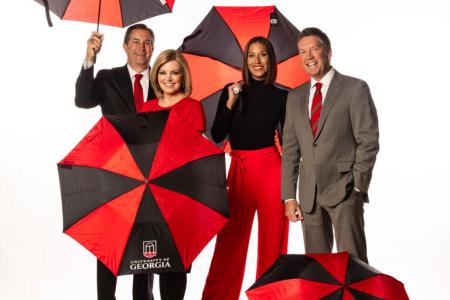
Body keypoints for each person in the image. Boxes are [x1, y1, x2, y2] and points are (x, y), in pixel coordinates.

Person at [282, 27, 379, 263]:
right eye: (302, 52)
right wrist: (288, 196)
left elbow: (368, 140)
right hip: (309, 195)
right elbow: (291, 150)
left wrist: (357, 185)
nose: (308, 57)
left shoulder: (355, 88)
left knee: (353, 266)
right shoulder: (295, 97)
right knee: (317, 270)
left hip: (344, 190)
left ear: (328, 52)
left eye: (314, 49)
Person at [202, 36, 289, 300]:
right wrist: (229, 102)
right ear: (245, 60)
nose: (257, 61)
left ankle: (270, 296)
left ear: (270, 60)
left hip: (271, 169)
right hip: (239, 171)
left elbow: (288, 141)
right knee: (229, 243)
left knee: (273, 243)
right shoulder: (231, 90)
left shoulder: (282, 96)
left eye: (263, 55)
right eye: (251, 55)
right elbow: (217, 135)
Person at [74, 23, 156, 300]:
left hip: (152, 174)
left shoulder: (162, 79)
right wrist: (90, 58)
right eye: (135, 42)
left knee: (147, 245)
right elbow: (83, 100)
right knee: (110, 242)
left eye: (146, 42)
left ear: (153, 47)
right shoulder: (108, 78)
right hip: (115, 172)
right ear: (124, 46)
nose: (141, 48)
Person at [141, 49, 206, 300]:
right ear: (156, 76)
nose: (168, 78)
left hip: (180, 193)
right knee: (153, 259)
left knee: (175, 262)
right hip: (150, 192)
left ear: (183, 76)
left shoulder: (192, 108)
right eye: (163, 73)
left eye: (175, 73)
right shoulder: (145, 108)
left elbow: (193, 154)